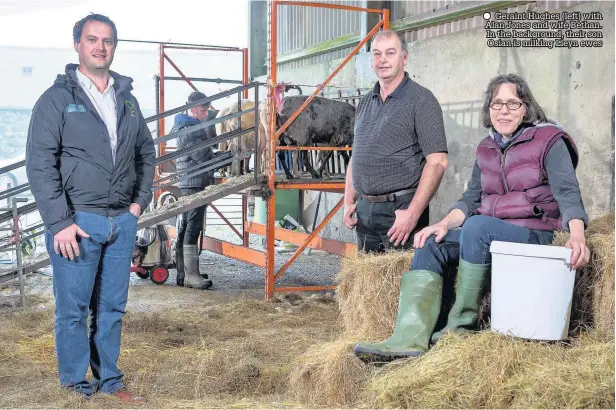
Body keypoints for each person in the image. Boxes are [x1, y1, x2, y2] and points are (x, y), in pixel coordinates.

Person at [353, 73, 590, 362]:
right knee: (431, 242)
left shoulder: (550, 140)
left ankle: (460, 327)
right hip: (486, 234)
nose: (504, 110)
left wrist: (577, 235)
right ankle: (408, 337)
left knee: (477, 226)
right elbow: (470, 200)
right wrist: (440, 225)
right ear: (488, 109)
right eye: (497, 103)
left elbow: (568, 193)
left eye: (513, 104)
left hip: (533, 234)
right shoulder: (485, 148)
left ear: (526, 108)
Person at [25, 14, 154, 401]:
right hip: (76, 222)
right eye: (92, 39)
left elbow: (146, 152)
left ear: (115, 47)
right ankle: (75, 385)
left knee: (112, 308)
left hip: (120, 222)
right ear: (77, 45)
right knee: (74, 310)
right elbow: (40, 163)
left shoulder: (127, 100)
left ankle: (110, 380)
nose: (101, 46)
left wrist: (138, 203)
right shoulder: (57, 100)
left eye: (108, 40)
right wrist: (59, 222)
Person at [344, 29, 449, 253]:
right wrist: (348, 201)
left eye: (390, 53)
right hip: (365, 211)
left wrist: (412, 213)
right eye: (377, 54)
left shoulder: (421, 100)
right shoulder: (365, 102)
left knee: (402, 283)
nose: (383, 60)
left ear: (405, 57)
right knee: (370, 285)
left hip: (399, 211)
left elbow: (438, 162)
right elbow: (357, 156)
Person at [171, 91, 218, 290]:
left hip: (189, 180)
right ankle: (191, 275)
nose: (206, 114)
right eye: (203, 110)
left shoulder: (183, 126)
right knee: (193, 225)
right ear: (192, 109)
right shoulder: (193, 129)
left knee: (186, 224)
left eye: (207, 110)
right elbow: (201, 156)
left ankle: (183, 273)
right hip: (195, 181)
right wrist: (226, 156)